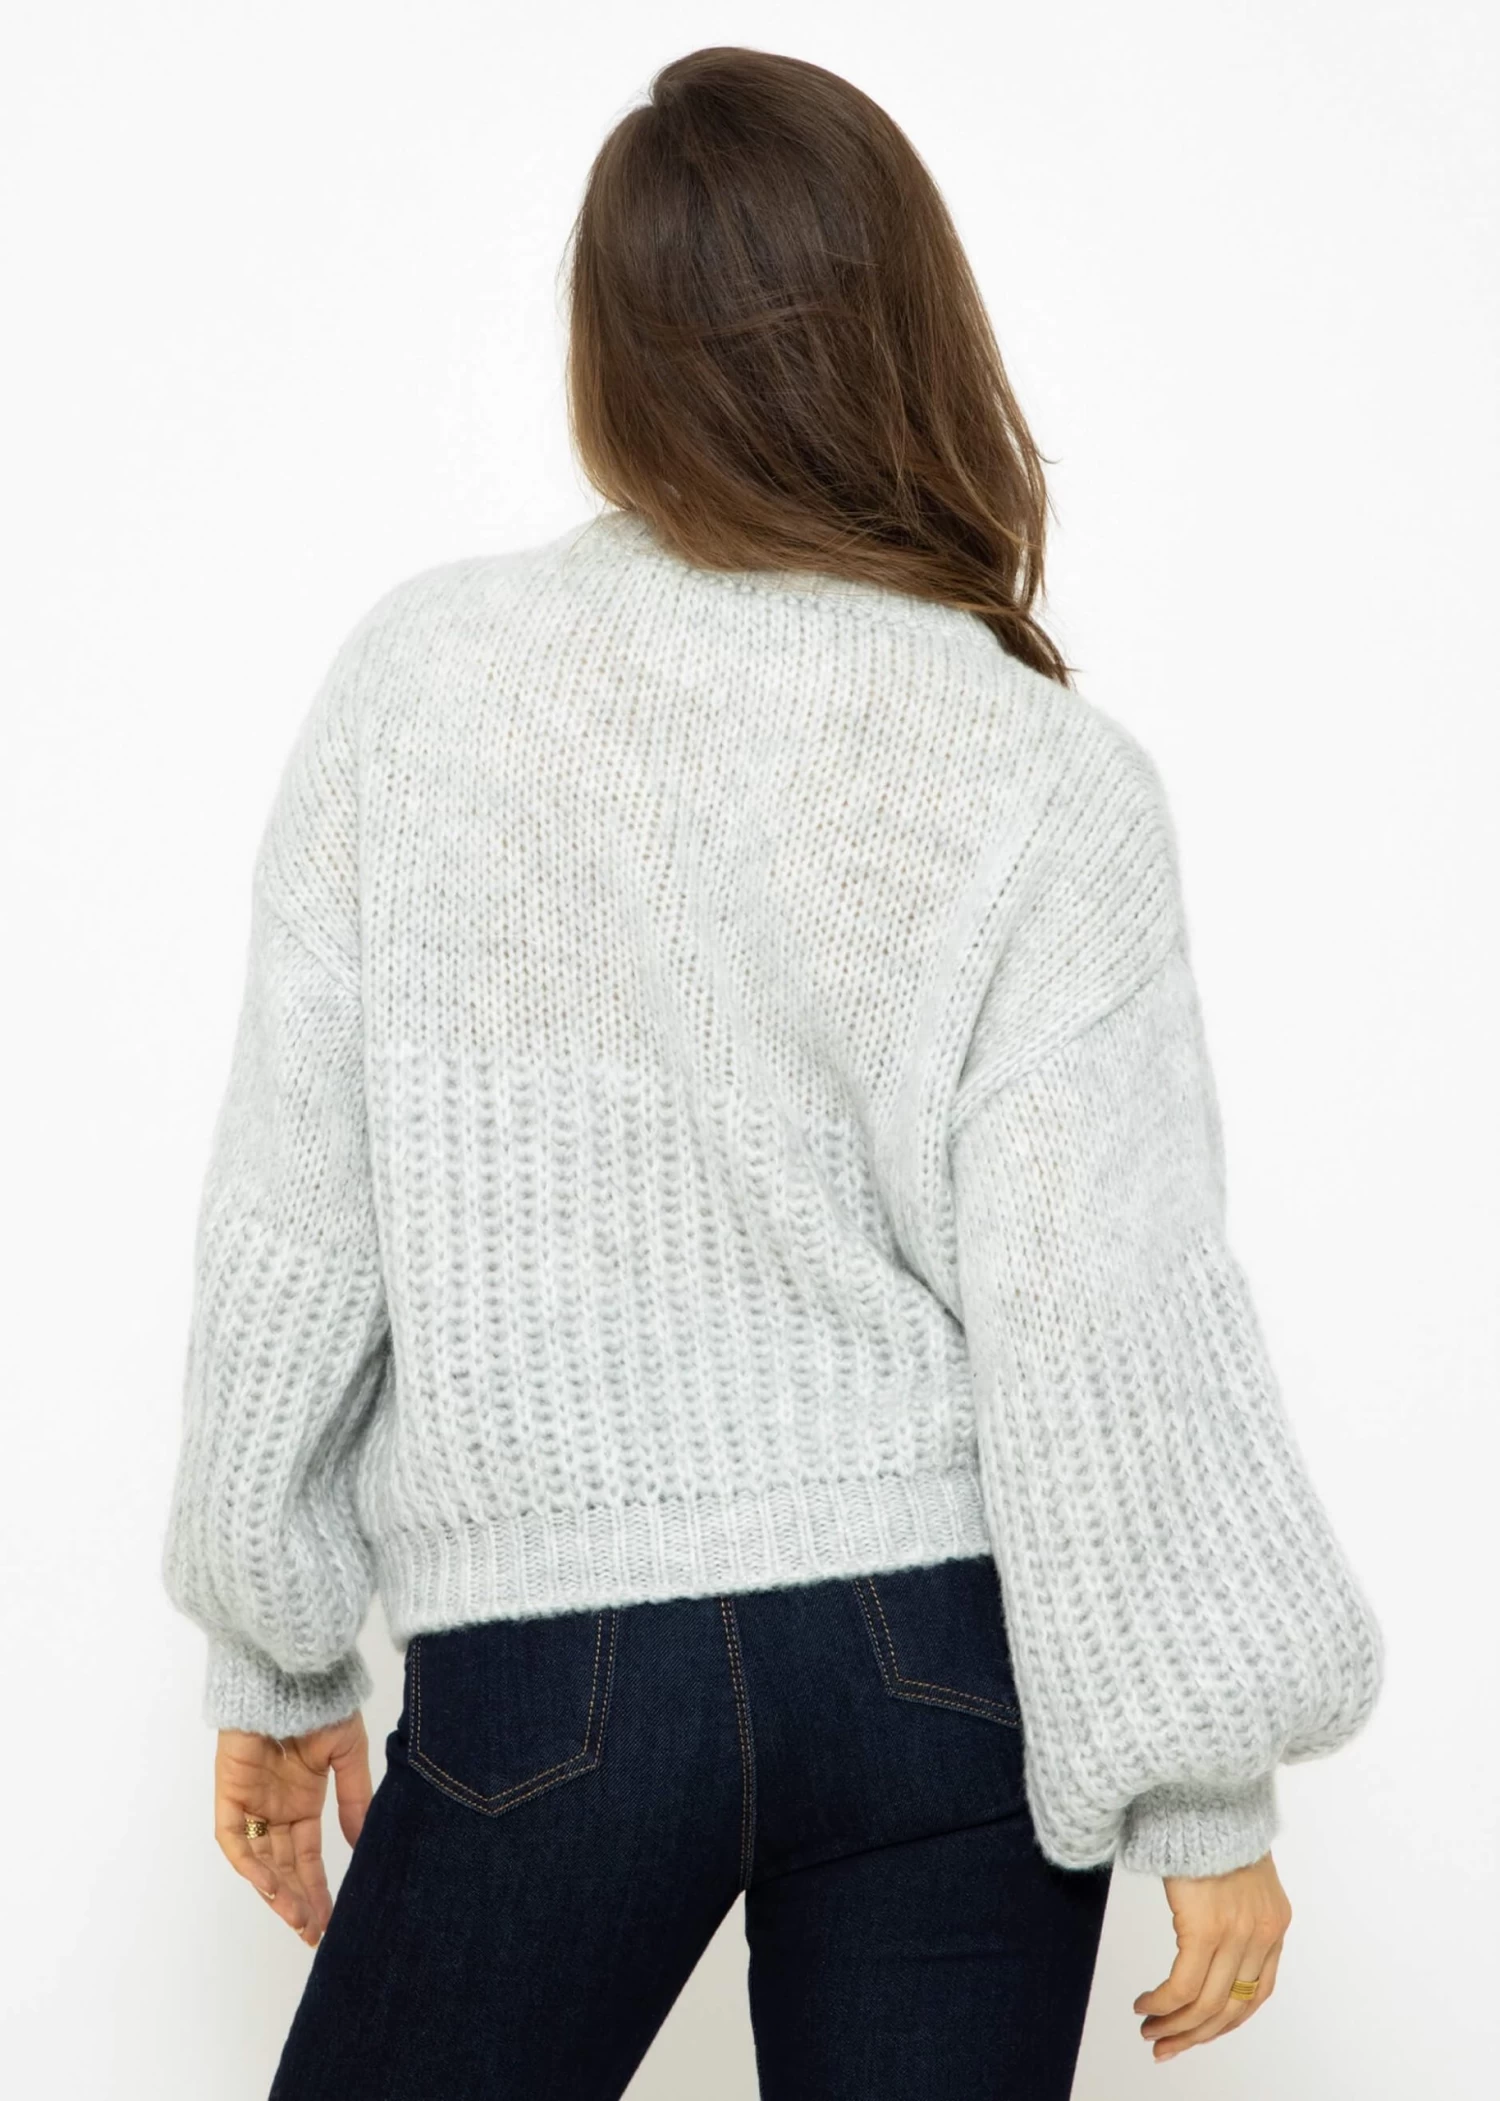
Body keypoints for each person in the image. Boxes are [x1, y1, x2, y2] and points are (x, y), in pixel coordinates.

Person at [160, 45, 1384, 2101]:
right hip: (944, 1673)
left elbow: (300, 1208)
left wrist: (274, 1655)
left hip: (557, 1663)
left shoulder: (421, 688)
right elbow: (1104, 1301)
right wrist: (1203, 1792)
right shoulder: (1036, 763)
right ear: (913, 328)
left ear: (612, 349)